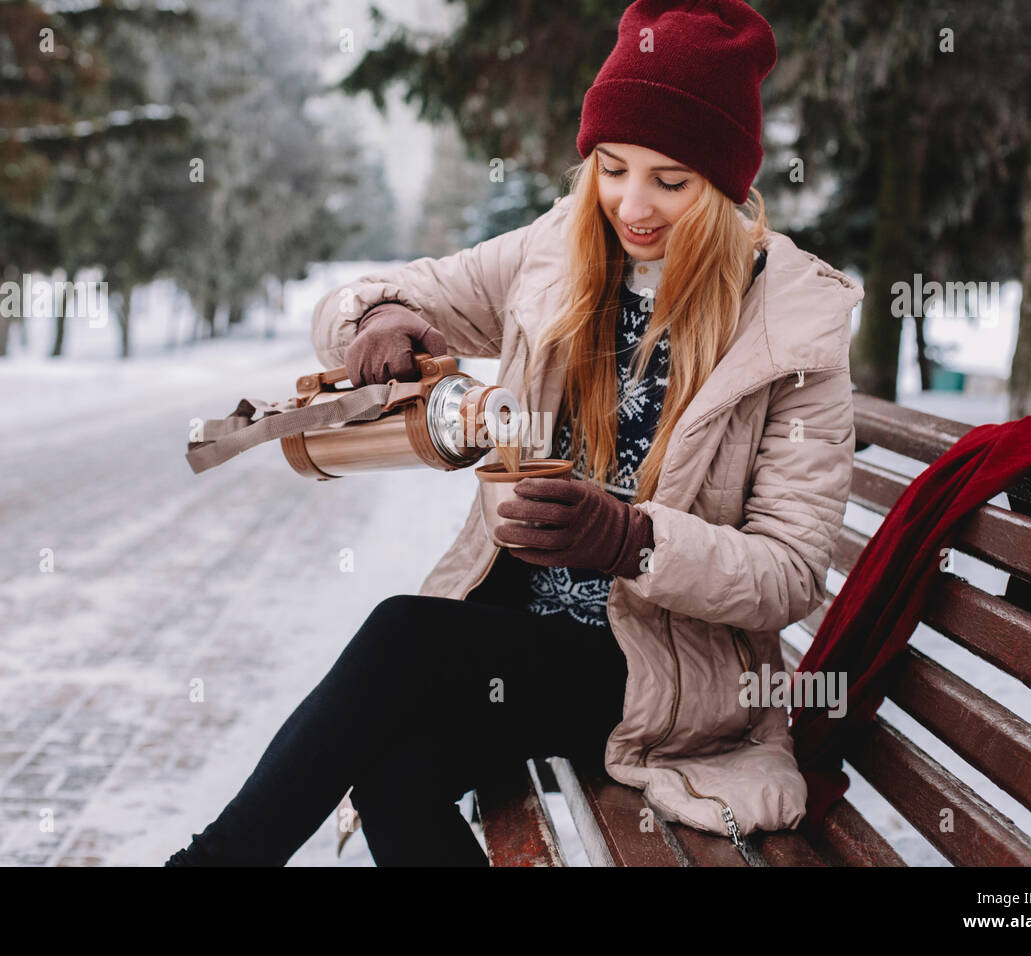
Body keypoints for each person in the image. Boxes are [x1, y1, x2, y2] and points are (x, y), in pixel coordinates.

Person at [166, 0, 863, 866]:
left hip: (664, 671)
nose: (631, 204)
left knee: (403, 636)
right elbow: (384, 291)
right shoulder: (559, 254)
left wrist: (629, 540)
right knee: (394, 771)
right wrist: (379, 318)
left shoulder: (790, 328)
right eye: (611, 167)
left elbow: (789, 574)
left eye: (670, 181)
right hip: (525, 647)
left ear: (725, 185)